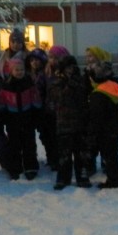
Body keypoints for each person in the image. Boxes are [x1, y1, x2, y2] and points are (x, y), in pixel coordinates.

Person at [0, 58, 42, 181]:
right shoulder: (6, 86)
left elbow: (36, 101)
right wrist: (3, 117)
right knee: (14, 145)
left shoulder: (29, 84)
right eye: (17, 69)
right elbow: (2, 103)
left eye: (22, 69)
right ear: (11, 71)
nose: (19, 72)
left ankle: (30, 167)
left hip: (28, 119)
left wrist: (36, 116)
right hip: (13, 120)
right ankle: (15, 168)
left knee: (29, 144)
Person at [48, 55, 88, 189]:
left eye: (72, 67)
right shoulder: (56, 82)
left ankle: (82, 177)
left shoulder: (81, 81)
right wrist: (69, 85)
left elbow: (83, 98)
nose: (70, 70)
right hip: (63, 124)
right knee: (64, 154)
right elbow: (57, 98)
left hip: (79, 123)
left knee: (81, 153)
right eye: (67, 68)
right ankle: (63, 178)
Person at [84, 59, 118, 188]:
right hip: (114, 128)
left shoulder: (98, 94)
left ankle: (114, 180)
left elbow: (97, 116)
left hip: (105, 131)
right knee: (113, 154)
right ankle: (117, 177)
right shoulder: (112, 87)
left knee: (109, 155)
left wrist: (92, 132)